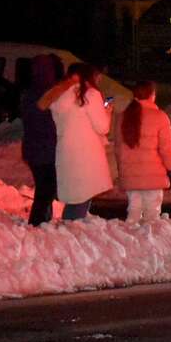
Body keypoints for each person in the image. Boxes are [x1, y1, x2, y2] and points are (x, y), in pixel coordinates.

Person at [37, 63, 114, 220]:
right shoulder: (90, 94)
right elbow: (102, 127)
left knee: (75, 197)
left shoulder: (59, 95)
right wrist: (107, 112)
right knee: (82, 197)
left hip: (66, 152)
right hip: (87, 154)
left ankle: (69, 227)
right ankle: (71, 229)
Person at [116, 80, 171, 223]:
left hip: (131, 175)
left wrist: (123, 170)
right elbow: (166, 149)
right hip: (153, 177)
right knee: (152, 217)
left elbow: (118, 149)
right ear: (151, 95)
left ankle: (131, 235)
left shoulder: (122, 117)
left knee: (133, 214)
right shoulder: (160, 117)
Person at [19, 53, 64, 225]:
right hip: (43, 149)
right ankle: (37, 224)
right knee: (46, 191)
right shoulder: (44, 93)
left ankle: (42, 222)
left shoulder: (31, 92)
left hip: (35, 148)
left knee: (45, 190)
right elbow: (45, 122)